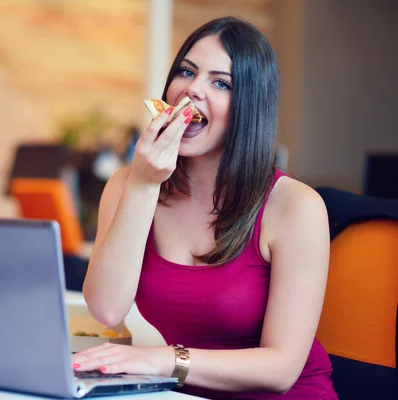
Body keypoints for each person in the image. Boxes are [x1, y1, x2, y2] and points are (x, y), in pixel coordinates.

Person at [71, 17, 339, 399]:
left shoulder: (296, 206)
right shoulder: (129, 186)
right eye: (186, 71)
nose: (192, 89)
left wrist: (165, 361)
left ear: (249, 106)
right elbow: (106, 309)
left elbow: (281, 369)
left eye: (220, 82)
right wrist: (145, 186)